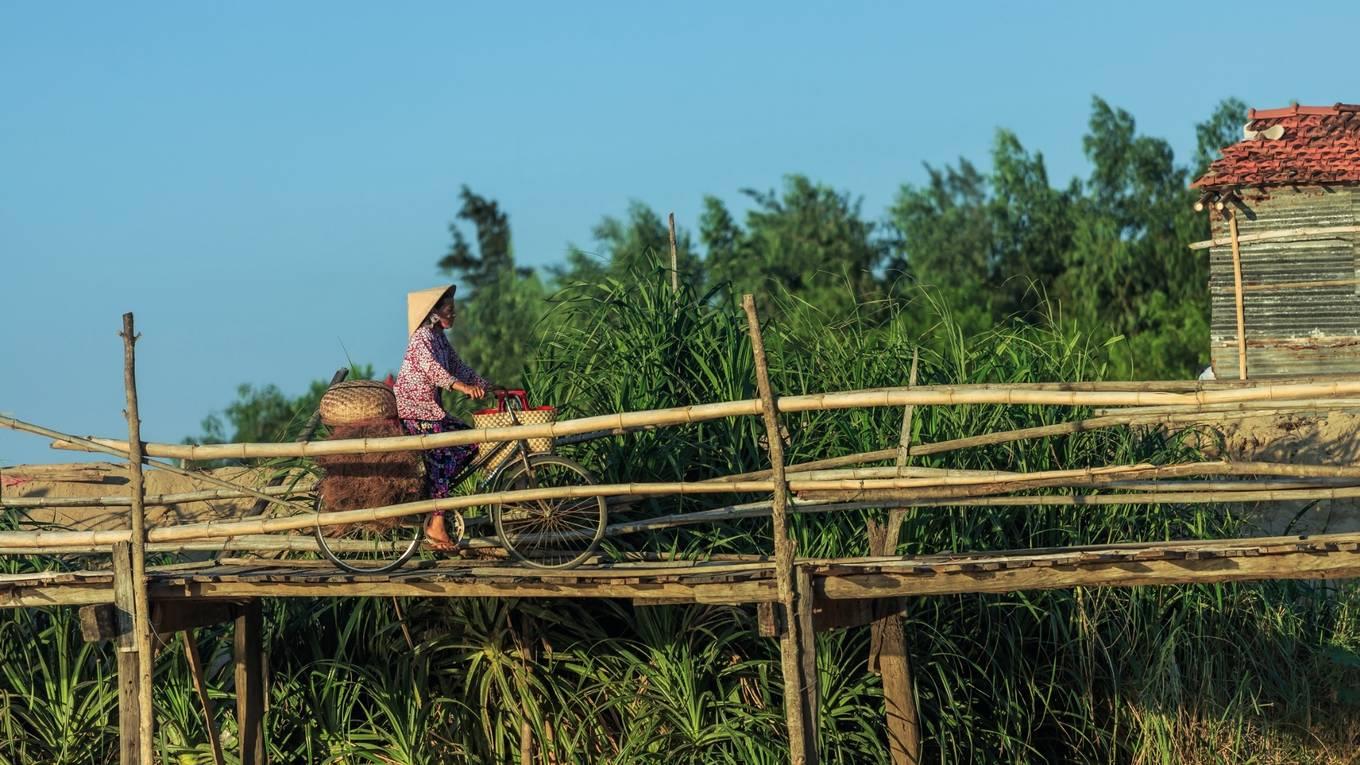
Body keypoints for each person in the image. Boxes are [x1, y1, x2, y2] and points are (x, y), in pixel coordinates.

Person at [393, 285, 489, 551]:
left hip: (432, 411)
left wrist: (484, 384)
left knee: (471, 441)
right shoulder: (421, 338)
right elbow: (434, 371)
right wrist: (463, 388)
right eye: (449, 310)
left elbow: (458, 366)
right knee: (444, 459)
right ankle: (436, 523)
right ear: (433, 313)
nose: (454, 315)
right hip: (416, 411)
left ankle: (434, 491)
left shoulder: (439, 339)